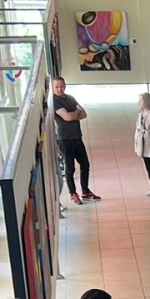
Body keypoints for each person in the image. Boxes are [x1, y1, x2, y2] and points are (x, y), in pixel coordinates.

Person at [51, 76, 98, 204]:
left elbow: (84, 114)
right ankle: (73, 193)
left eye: (61, 86)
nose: (60, 89)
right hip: (65, 139)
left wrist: (73, 114)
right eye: (57, 87)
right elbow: (68, 117)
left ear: (65, 85)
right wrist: (76, 112)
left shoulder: (70, 98)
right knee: (70, 167)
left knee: (85, 164)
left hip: (77, 136)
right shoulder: (54, 101)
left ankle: (85, 191)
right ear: (53, 87)